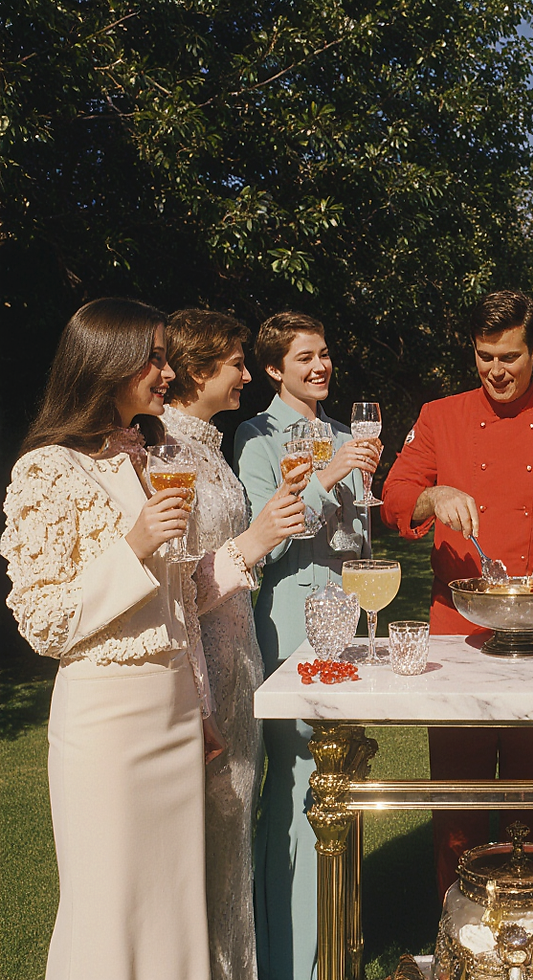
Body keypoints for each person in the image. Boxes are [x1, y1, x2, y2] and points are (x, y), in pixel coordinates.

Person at [1, 298, 304, 980]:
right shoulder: (47, 470)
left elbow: (184, 602)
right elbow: (43, 622)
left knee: (175, 913)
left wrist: (198, 706)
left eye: (167, 356)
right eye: (156, 357)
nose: (168, 372)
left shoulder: (140, 458)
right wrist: (135, 546)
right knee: (113, 912)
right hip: (108, 722)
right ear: (107, 363)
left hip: (173, 708)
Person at [380, 289, 533, 897]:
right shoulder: (440, 416)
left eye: (509, 356)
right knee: (455, 801)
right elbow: (395, 498)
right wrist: (433, 497)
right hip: (456, 630)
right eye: (485, 356)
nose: (496, 370)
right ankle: (456, 925)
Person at [233, 310, 380, 980]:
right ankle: (290, 960)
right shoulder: (256, 436)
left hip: (344, 614)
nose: (320, 367)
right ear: (272, 369)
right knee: (295, 788)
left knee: (339, 780)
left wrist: (361, 490)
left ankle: (337, 947)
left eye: (323, 354)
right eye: (303, 359)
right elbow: (275, 535)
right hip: (290, 618)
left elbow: (357, 539)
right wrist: (329, 478)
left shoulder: (347, 433)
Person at [165, 308, 310, 980]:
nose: (248, 376)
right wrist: (259, 539)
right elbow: (172, 591)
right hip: (202, 674)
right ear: (198, 372)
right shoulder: (163, 451)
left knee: (232, 841)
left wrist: (274, 511)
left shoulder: (208, 447)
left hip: (238, 662)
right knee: (204, 848)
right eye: (235, 364)